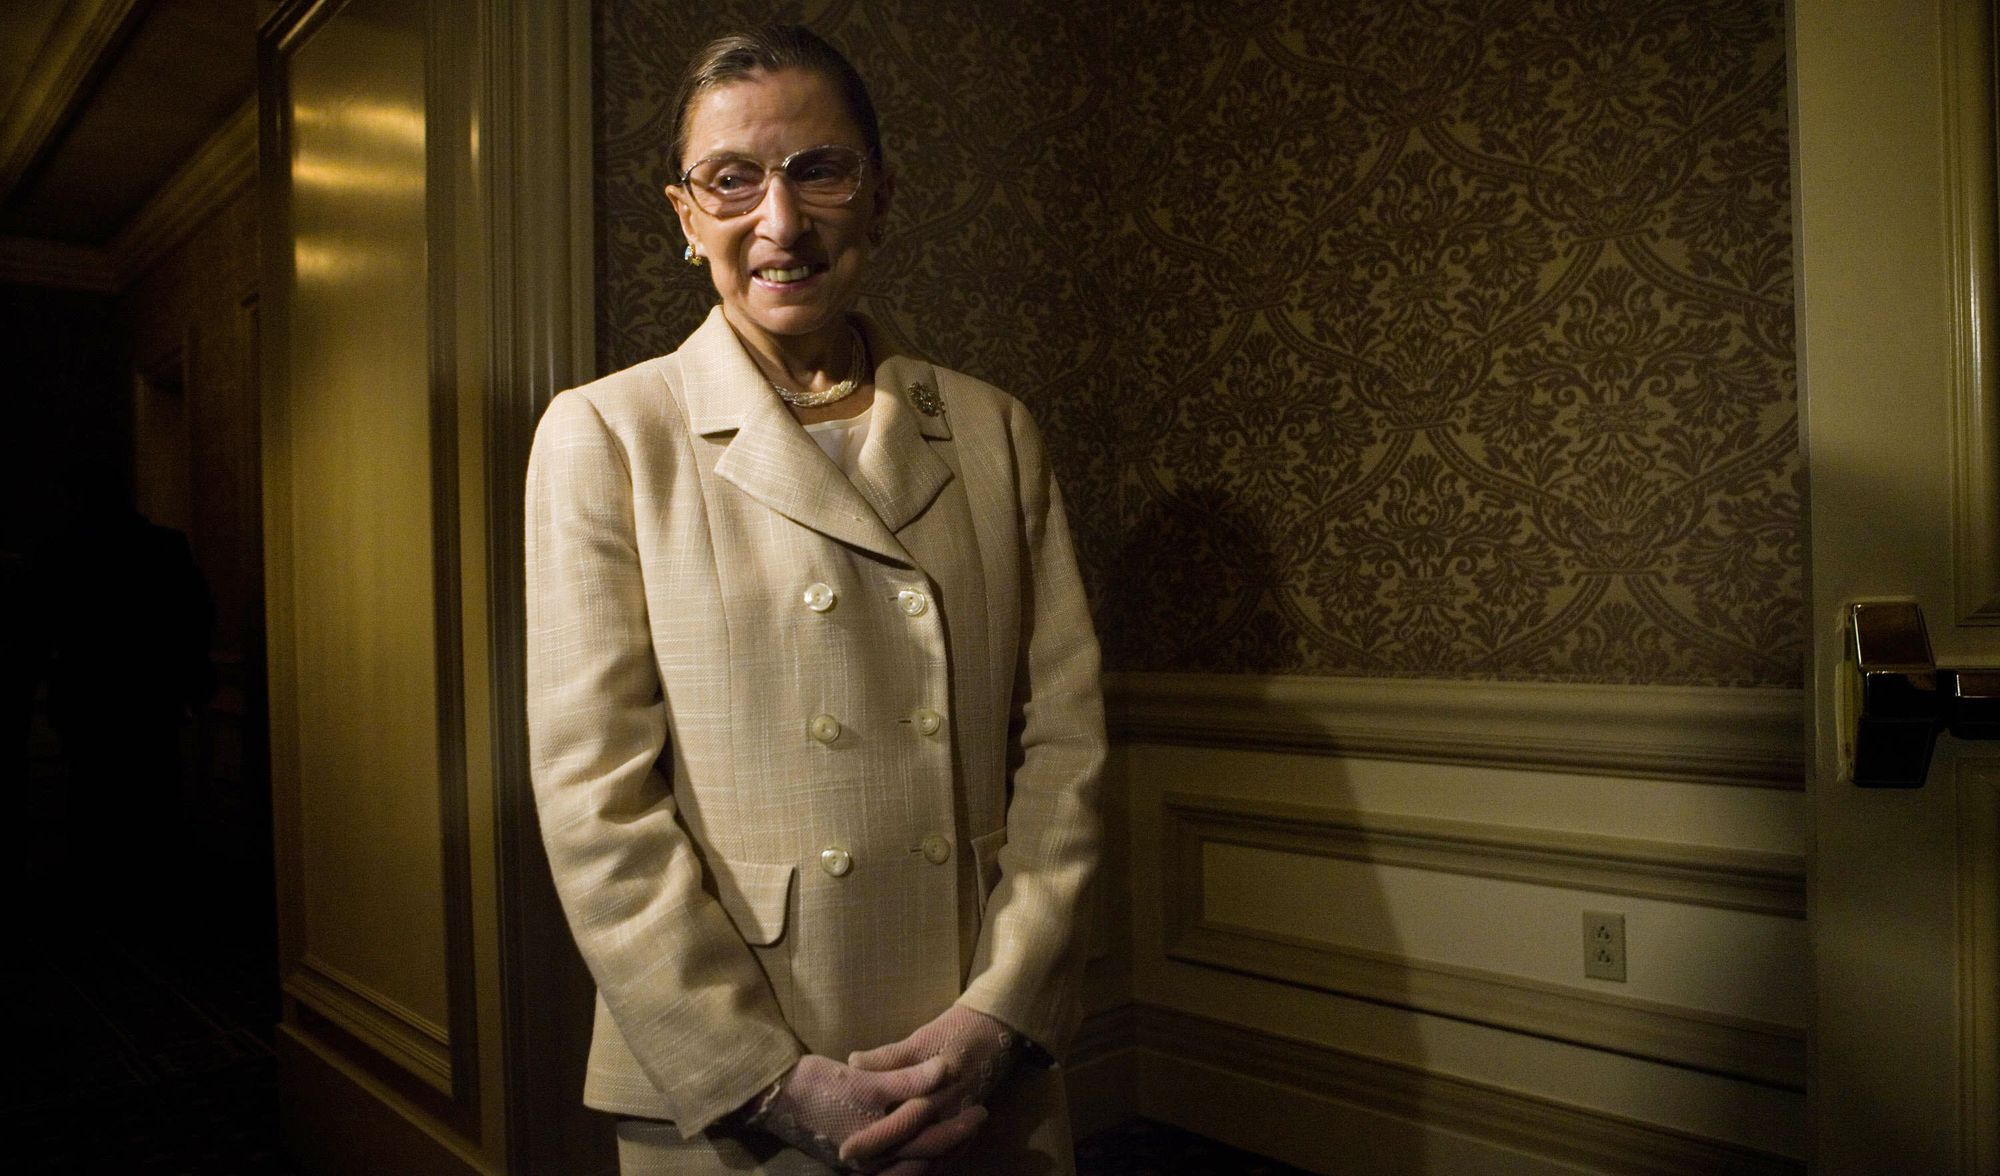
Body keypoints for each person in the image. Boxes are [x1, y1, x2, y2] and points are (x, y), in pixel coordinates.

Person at [525, 25, 1105, 1175]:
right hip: (742, 1069)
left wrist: (998, 1018)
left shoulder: (990, 431)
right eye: (730, 180)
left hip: (971, 1048)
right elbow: (595, 801)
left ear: (878, 196)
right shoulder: (607, 434)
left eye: (818, 170)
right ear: (686, 217)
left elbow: (1066, 748)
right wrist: (764, 1078)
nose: (778, 223)